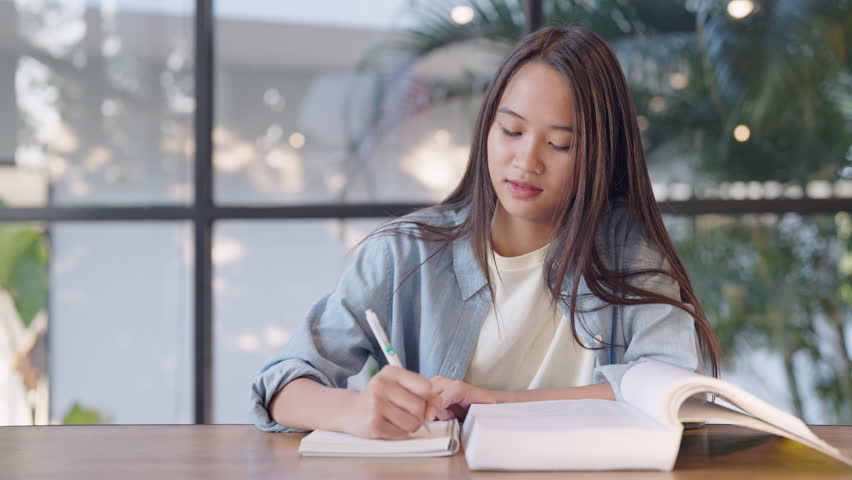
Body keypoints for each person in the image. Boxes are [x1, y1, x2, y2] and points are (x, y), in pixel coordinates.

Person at [250, 25, 720, 440]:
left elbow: (676, 390)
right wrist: (355, 409)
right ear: (487, 128)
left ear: (601, 153)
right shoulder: (404, 252)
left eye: (560, 144)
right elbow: (281, 385)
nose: (526, 161)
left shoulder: (632, 255)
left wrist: (497, 406)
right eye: (511, 131)